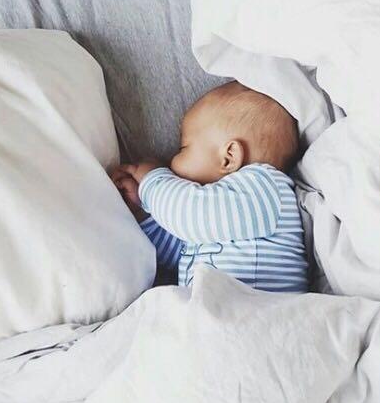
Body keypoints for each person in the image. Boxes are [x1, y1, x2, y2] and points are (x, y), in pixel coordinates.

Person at [111, 81, 308, 293]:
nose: (172, 162)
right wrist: (144, 214)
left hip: (255, 310)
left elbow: (188, 218)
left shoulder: (265, 188)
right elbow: (181, 251)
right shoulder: (214, 215)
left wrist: (152, 180)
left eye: (183, 148)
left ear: (229, 157)